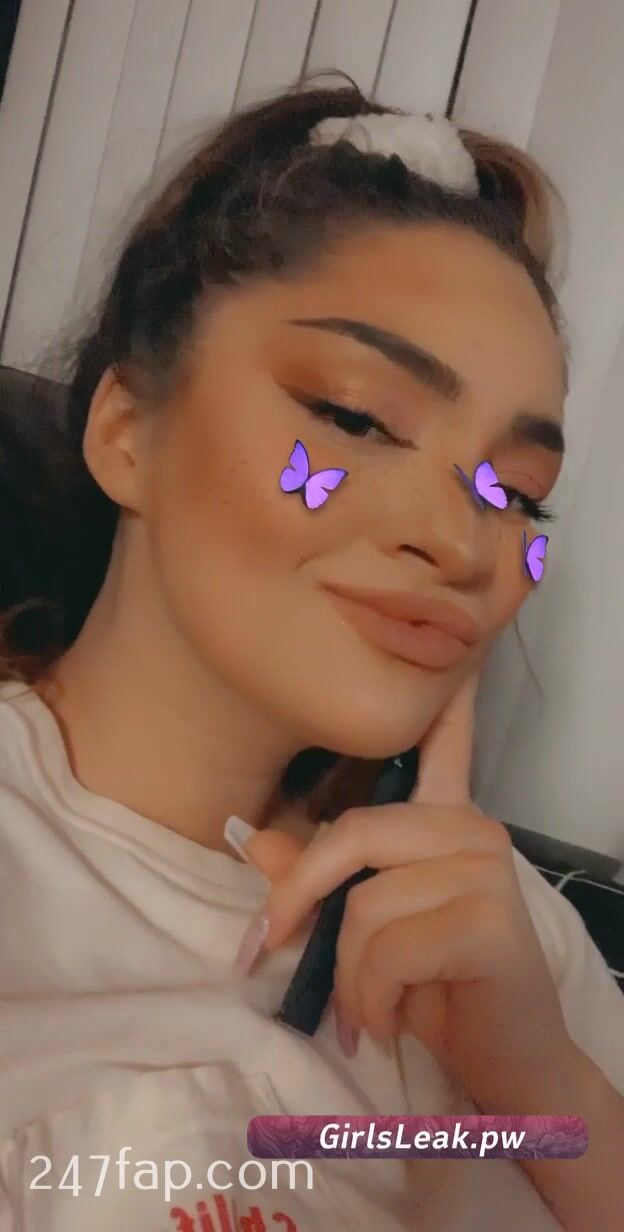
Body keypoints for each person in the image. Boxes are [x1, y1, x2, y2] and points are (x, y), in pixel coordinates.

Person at [0, 78, 622, 1232]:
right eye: (356, 418)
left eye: (515, 492)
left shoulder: (511, 935)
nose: (462, 541)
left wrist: (544, 1087)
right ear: (127, 432)